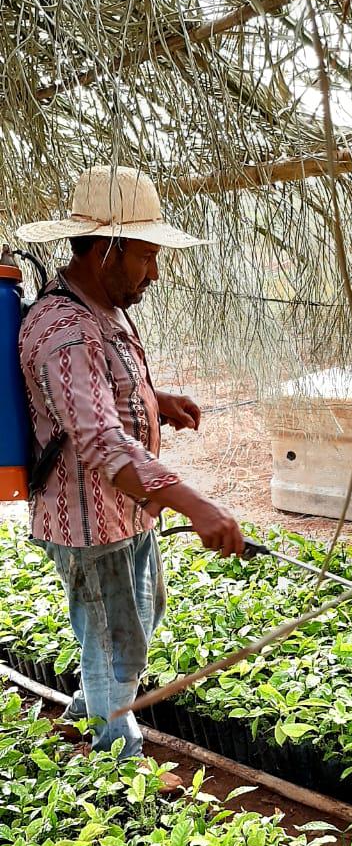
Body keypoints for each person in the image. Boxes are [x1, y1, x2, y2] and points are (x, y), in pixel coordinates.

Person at [17, 165, 244, 786]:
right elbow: (97, 441)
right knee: (115, 643)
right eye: (144, 256)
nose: (154, 272)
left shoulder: (100, 311)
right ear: (106, 249)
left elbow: (99, 398)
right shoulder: (64, 329)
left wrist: (155, 398)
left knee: (137, 621)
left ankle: (87, 717)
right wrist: (193, 503)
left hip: (125, 512)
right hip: (88, 520)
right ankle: (121, 770)